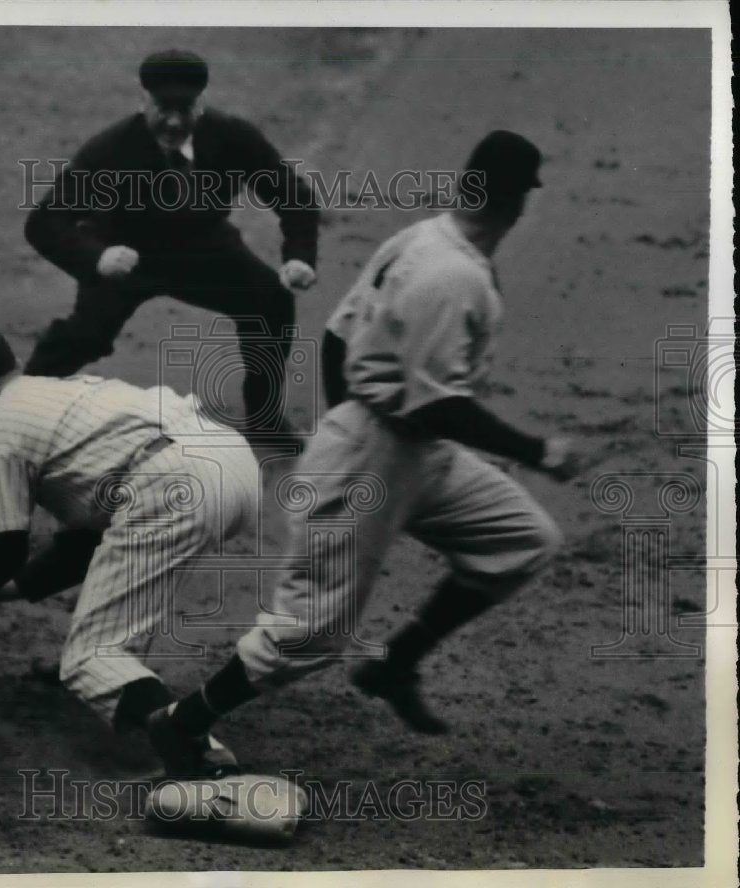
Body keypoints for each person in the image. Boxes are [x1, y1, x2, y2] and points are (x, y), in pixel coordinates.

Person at [145, 131, 585, 775]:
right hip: (377, 449)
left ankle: (396, 664)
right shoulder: (454, 272)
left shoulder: (424, 237)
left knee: (522, 539)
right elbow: (435, 404)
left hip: (407, 448)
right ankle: (183, 724)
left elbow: (336, 335)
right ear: (518, 203)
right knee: (310, 634)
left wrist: (343, 425)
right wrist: (538, 450)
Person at [0, 325, 258, 775]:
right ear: (14, 366)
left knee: (90, 657)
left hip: (171, 482)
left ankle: (202, 755)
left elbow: (3, 552)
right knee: (117, 598)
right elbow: (82, 548)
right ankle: (133, 689)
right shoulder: (67, 391)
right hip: (233, 462)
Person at [23, 49, 320, 448]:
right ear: (142, 100)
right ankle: (13, 413)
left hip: (205, 249)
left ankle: (264, 419)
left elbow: (294, 197)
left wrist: (298, 256)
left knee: (271, 301)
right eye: (164, 108)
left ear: (202, 103)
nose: (175, 121)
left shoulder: (232, 136)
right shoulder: (110, 150)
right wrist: (95, 258)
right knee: (86, 336)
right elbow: (44, 222)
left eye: (186, 108)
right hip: (126, 256)